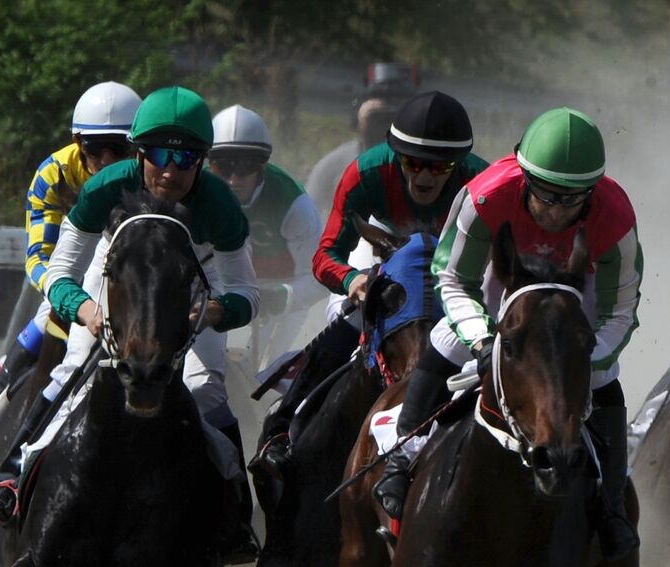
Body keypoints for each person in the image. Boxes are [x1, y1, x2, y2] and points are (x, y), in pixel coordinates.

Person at [0, 86, 262, 562]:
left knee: (207, 387)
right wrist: (85, 311)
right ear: (139, 152)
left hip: (197, 273)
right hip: (120, 260)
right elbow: (60, 272)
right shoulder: (105, 187)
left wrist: (211, 313)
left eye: (186, 157)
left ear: (203, 159)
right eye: (158, 155)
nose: (169, 170)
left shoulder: (221, 208)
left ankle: (235, 515)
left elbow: (246, 294)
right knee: (74, 367)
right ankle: (12, 477)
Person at [372, 107, 642, 560]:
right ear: (523, 177)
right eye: (545, 196)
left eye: (570, 200)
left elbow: (621, 311)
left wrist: (579, 359)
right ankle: (405, 453)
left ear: (591, 193)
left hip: (575, 298)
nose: (556, 212)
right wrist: (483, 342)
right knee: (445, 340)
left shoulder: (616, 220)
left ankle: (612, 506)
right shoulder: (486, 196)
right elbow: (454, 280)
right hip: (501, 292)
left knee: (602, 378)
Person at [249, 89, 487, 478]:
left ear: (458, 165)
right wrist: (352, 279)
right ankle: (281, 428)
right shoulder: (366, 172)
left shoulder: (481, 182)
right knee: (353, 318)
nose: (425, 175)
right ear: (395, 155)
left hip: (454, 258)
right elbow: (325, 256)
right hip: (381, 244)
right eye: (413, 163)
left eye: (440, 167)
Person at [0, 81, 142, 463]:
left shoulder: (149, 174)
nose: (107, 160)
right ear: (77, 141)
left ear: (136, 147)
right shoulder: (53, 175)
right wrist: (63, 293)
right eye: (95, 149)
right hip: (75, 264)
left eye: (119, 149)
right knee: (45, 318)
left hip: (133, 272)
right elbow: (40, 257)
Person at [209, 104, 324, 365]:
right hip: (222, 294)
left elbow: (319, 278)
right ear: (210, 164)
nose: (233, 179)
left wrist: (281, 297)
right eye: (223, 167)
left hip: (281, 295)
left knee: (270, 374)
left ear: (262, 166)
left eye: (246, 166)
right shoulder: (200, 193)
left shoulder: (294, 204)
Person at [304, 62, 418, 211]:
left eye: (399, 109)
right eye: (379, 117)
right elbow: (310, 222)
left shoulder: (434, 167)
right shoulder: (333, 167)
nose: (387, 121)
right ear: (357, 115)